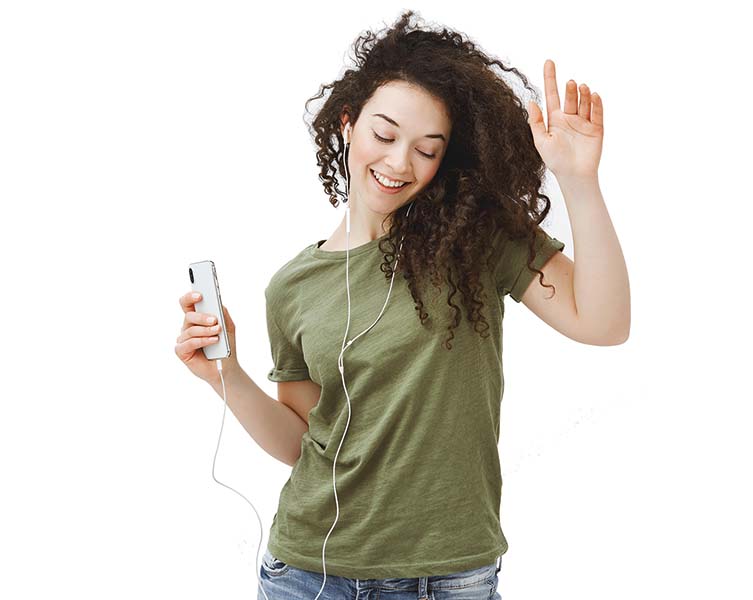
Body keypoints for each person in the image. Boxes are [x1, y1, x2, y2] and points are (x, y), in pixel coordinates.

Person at [175, 9, 628, 600]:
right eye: (384, 135)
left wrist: (579, 181)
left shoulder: (476, 241)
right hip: (310, 575)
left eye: (426, 149)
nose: (398, 163)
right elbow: (302, 442)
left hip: (446, 577)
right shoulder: (292, 288)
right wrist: (225, 375)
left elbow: (604, 323)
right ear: (347, 124)